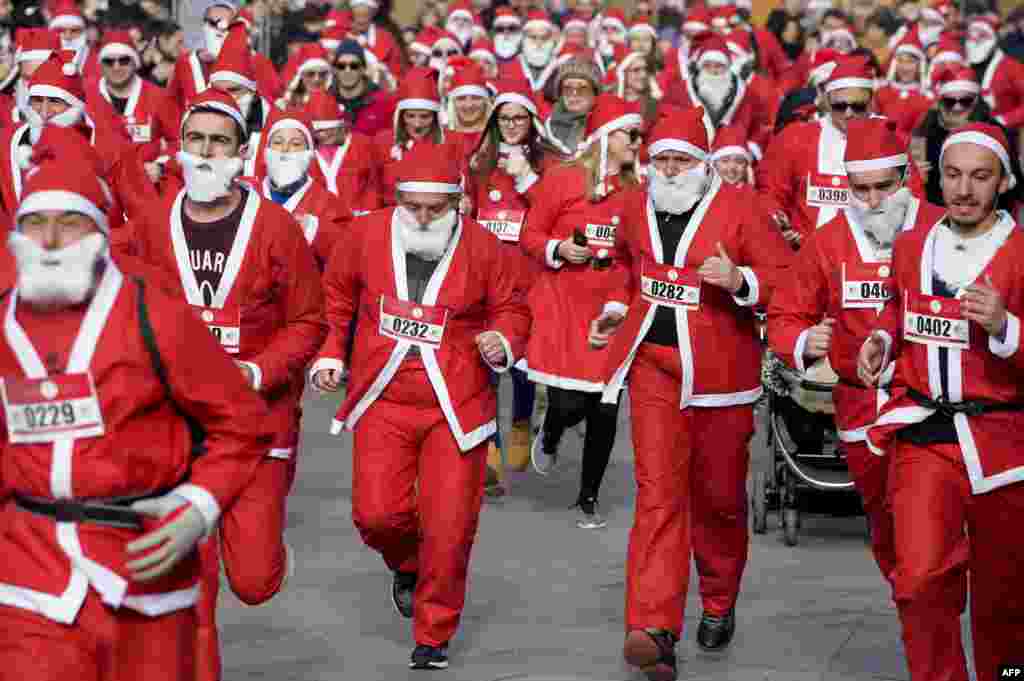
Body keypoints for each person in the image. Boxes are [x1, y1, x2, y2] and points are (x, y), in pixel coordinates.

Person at [0, 145, 272, 681]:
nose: (51, 240)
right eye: (36, 224)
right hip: (29, 569)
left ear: (100, 233)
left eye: (70, 223)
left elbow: (241, 423)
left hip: (145, 566)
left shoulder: (157, 316)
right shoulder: (3, 323)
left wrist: (198, 508)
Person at [116, 88, 327, 681]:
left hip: (258, 429)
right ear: (179, 148)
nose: (205, 152)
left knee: (254, 582)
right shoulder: (151, 224)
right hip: (177, 432)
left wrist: (259, 370)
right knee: (194, 587)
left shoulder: (278, 228)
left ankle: (266, 557)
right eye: (195, 140)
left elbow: (309, 320)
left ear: (242, 152)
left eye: (219, 141)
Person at [589, 105, 791, 680]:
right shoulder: (634, 207)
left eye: (682, 159)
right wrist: (613, 312)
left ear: (705, 164)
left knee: (719, 500)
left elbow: (786, 279)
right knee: (658, 496)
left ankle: (720, 598)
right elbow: (626, 271)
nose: (671, 170)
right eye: (662, 160)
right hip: (653, 368)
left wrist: (742, 281)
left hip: (722, 375)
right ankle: (653, 626)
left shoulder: (742, 209)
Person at [310, 146, 529, 670]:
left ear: (457, 202)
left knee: (451, 527)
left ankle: (434, 633)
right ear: (397, 200)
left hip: (457, 400)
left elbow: (512, 306)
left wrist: (502, 339)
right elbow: (337, 297)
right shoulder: (362, 236)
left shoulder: (483, 247)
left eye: (436, 207)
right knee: (376, 514)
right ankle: (408, 562)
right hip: (383, 396)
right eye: (414, 207)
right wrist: (328, 353)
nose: (424, 217)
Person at [857, 122, 1024, 681]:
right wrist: (881, 341)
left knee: (1006, 598)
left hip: (1004, 445)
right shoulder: (910, 247)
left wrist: (1006, 327)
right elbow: (895, 318)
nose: (965, 189)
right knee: (920, 580)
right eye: (953, 174)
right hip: (925, 433)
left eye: (981, 176)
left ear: (1003, 181)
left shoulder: (1020, 252)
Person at [768, 117, 946, 594]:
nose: (872, 201)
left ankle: (930, 610)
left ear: (904, 178)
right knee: (886, 530)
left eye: (883, 188)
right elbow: (785, 314)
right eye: (860, 189)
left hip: (928, 406)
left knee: (927, 533)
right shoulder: (828, 241)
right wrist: (806, 342)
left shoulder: (937, 229)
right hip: (859, 409)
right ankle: (916, 604)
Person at [521, 95, 642, 528]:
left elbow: (636, 255)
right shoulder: (563, 180)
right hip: (563, 304)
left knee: (605, 406)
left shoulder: (636, 191)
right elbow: (530, 234)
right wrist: (560, 248)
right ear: (607, 137)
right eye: (631, 134)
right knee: (572, 403)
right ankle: (551, 427)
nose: (637, 143)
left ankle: (588, 496)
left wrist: (621, 299)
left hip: (610, 310)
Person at [466, 81, 557, 491]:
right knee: (484, 366)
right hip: (487, 278)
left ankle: (522, 423)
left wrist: (526, 181)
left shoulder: (548, 165)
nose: (512, 125)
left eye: (519, 118)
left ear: (532, 122)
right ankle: (489, 453)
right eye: (504, 119)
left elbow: (555, 212)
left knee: (521, 365)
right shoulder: (480, 165)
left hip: (530, 278)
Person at [758, 55, 877, 246]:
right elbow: (770, 191)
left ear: (871, 102)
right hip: (805, 257)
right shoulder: (795, 137)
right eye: (839, 106)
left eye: (858, 106)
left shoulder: (890, 140)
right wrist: (776, 221)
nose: (848, 113)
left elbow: (910, 201)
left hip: (867, 260)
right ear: (827, 100)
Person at [910, 66, 1023, 210]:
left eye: (965, 101)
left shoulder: (997, 133)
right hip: (938, 216)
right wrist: (915, 176)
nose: (957, 108)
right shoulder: (925, 131)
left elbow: (1016, 188)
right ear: (940, 101)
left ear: (976, 101)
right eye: (950, 101)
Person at [252, 107, 349, 272]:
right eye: (277, 142)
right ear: (266, 150)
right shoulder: (248, 193)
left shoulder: (329, 205)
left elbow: (348, 256)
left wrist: (316, 230)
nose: (284, 150)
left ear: (309, 152)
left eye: (295, 144)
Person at [165, 0, 280, 113]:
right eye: (213, 23)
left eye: (227, 26)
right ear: (204, 25)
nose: (219, 31)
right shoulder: (185, 63)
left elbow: (271, 105)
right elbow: (170, 106)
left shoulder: (256, 62)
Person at [86, 30, 178, 165]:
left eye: (123, 60)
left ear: (134, 61)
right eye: (109, 61)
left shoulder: (159, 97)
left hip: (146, 181)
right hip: (99, 180)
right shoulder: (86, 96)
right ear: (101, 65)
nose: (116, 67)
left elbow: (178, 141)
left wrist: (160, 165)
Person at [371, 69, 447, 205]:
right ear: (400, 116)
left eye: (424, 116)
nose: (417, 124)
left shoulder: (449, 143)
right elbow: (374, 191)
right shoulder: (383, 142)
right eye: (410, 116)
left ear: (435, 118)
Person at [305, 89, 380, 213]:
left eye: (330, 129)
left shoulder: (361, 144)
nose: (325, 135)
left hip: (358, 218)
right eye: (320, 130)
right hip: (323, 220)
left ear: (341, 126)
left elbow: (372, 184)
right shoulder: (307, 151)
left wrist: (368, 213)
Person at [965, 15, 1024, 130]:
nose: (976, 40)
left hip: (1003, 136)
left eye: (982, 36)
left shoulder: (1013, 67)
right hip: (966, 135)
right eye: (972, 38)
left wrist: (1002, 121)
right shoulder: (962, 67)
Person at [874, 28, 933, 136]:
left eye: (910, 62)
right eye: (901, 61)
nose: (904, 67)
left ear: (919, 66)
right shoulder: (881, 93)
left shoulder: (927, 99)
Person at [332, 39, 395, 138]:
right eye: (341, 66)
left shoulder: (384, 103)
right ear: (334, 69)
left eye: (354, 66)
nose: (347, 70)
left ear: (363, 68)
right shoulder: (327, 101)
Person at [542, 56, 600, 157]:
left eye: (582, 88)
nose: (574, 93)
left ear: (594, 92)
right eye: (568, 88)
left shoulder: (603, 128)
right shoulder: (547, 129)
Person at [498, 10, 562, 94]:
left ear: (551, 41)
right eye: (533, 37)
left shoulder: (559, 70)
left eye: (544, 38)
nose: (539, 43)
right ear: (523, 39)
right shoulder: (507, 69)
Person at [348, 0, 404, 81]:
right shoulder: (343, 35)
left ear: (373, 14)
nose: (361, 21)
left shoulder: (386, 38)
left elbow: (397, 71)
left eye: (364, 16)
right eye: (358, 15)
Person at [276, 42, 334, 109]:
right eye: (310, 74)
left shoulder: (335, 104)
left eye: (322, 74)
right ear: (301, 76)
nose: (316, 79)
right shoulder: (283, 105)